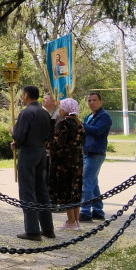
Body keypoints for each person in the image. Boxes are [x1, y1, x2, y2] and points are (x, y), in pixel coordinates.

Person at [10, 85, 54, 241]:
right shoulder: (44, 112)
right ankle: (48, 229)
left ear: (26, 95)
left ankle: (32, 230)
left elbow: (19, 135)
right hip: (41, 152)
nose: (22, 97)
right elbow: (49, 134)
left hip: (28, 153)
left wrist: (13, 132)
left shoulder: (26, 112)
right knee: (41, 190)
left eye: (23, 95)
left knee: (27, 191)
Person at [47, 98, 85, 230]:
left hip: (65, 162)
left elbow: (58, 143)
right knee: (75, 190)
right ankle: (76, 220)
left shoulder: (64, 123)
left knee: (67, 190)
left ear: (66, 109)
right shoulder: (78, 123)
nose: (59, 110)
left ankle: (70, 221)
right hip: (77, 160)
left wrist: (47, 143)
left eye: (61, 107)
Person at [79, 92, 112, 222]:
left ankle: (85, 212)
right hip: (87, 152)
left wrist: (81, 125)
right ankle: (98, 211)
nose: (91, 103)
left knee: (86, 182)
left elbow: (97, 130)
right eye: (89, 100)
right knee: (93, 183)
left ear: (100, 102)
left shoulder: (104, 117)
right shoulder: (89, 116)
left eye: (94, 100)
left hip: (95, 153)